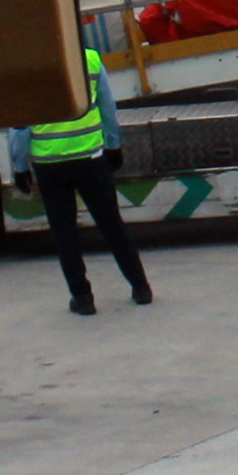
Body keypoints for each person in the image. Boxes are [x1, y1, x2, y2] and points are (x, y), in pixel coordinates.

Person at [26, 34, 153, 317]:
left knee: (65, 233)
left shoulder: (31, 66)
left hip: (49, 164)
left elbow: (21, 125)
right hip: (91, 159)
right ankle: (141, 287)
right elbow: (107, 107)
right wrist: (113, 144)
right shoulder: (91, 59)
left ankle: (83, 299)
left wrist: (19, 165)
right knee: (111, 224)